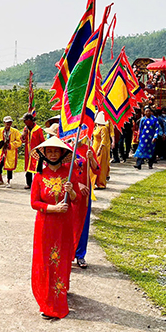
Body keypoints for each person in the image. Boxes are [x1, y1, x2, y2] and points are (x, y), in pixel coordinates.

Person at [30, 137, 80, 319]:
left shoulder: (70, 174)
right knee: (47, 260)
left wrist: (72, 191)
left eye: (56, 151)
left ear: (62, 153)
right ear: (44, 154)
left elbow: (77, 200)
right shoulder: (39, 176)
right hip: (46, 225)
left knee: (63, 257)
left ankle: (61, 288)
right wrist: (53, 208)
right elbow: (34, 203)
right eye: (49, 151)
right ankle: (47, 297)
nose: (52, 154)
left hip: (65, 224)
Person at [73, 136, 99, 269]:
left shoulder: (87, 149)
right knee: (68, 223)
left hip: (84, 194)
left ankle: (80, 254)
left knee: (83, 222)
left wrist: (92, 159)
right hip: (70, 191)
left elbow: (96, 169)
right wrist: (77, 184)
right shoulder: (65, 148)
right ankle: (67, 254)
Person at [0, 116, 22, 187]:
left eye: (10, 122)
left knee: (9, 166)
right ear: (4, 123)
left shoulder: (15, 131)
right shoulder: (0, 130)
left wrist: (10, 145)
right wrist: (0, 144)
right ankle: (0, 180)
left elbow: (19, 142)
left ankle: (8, 181)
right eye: (7, 122)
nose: (8, 124)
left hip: (10, 151)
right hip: (2, 151)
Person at [21, 112, 45, 189]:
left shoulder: (38, 129)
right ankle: (29, 183)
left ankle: (37, 184)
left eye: (25, 120)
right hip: (28, 152)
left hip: (37, 152)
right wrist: (23, 135)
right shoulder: (26, 129)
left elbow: (42, 140)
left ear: (30, 120)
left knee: (37, 169)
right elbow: (23, 140)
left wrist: (42, 151)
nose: (24, 122)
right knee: (28, 168)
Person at [92, 112, 111, 189]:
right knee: (94, 164)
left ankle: (101, 183)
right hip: (94, 146)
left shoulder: (104, 128)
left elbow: (104, 140)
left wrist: (100, 149)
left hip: (101, 148)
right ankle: (94, 181)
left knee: (101, 165)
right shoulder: (97, 127)